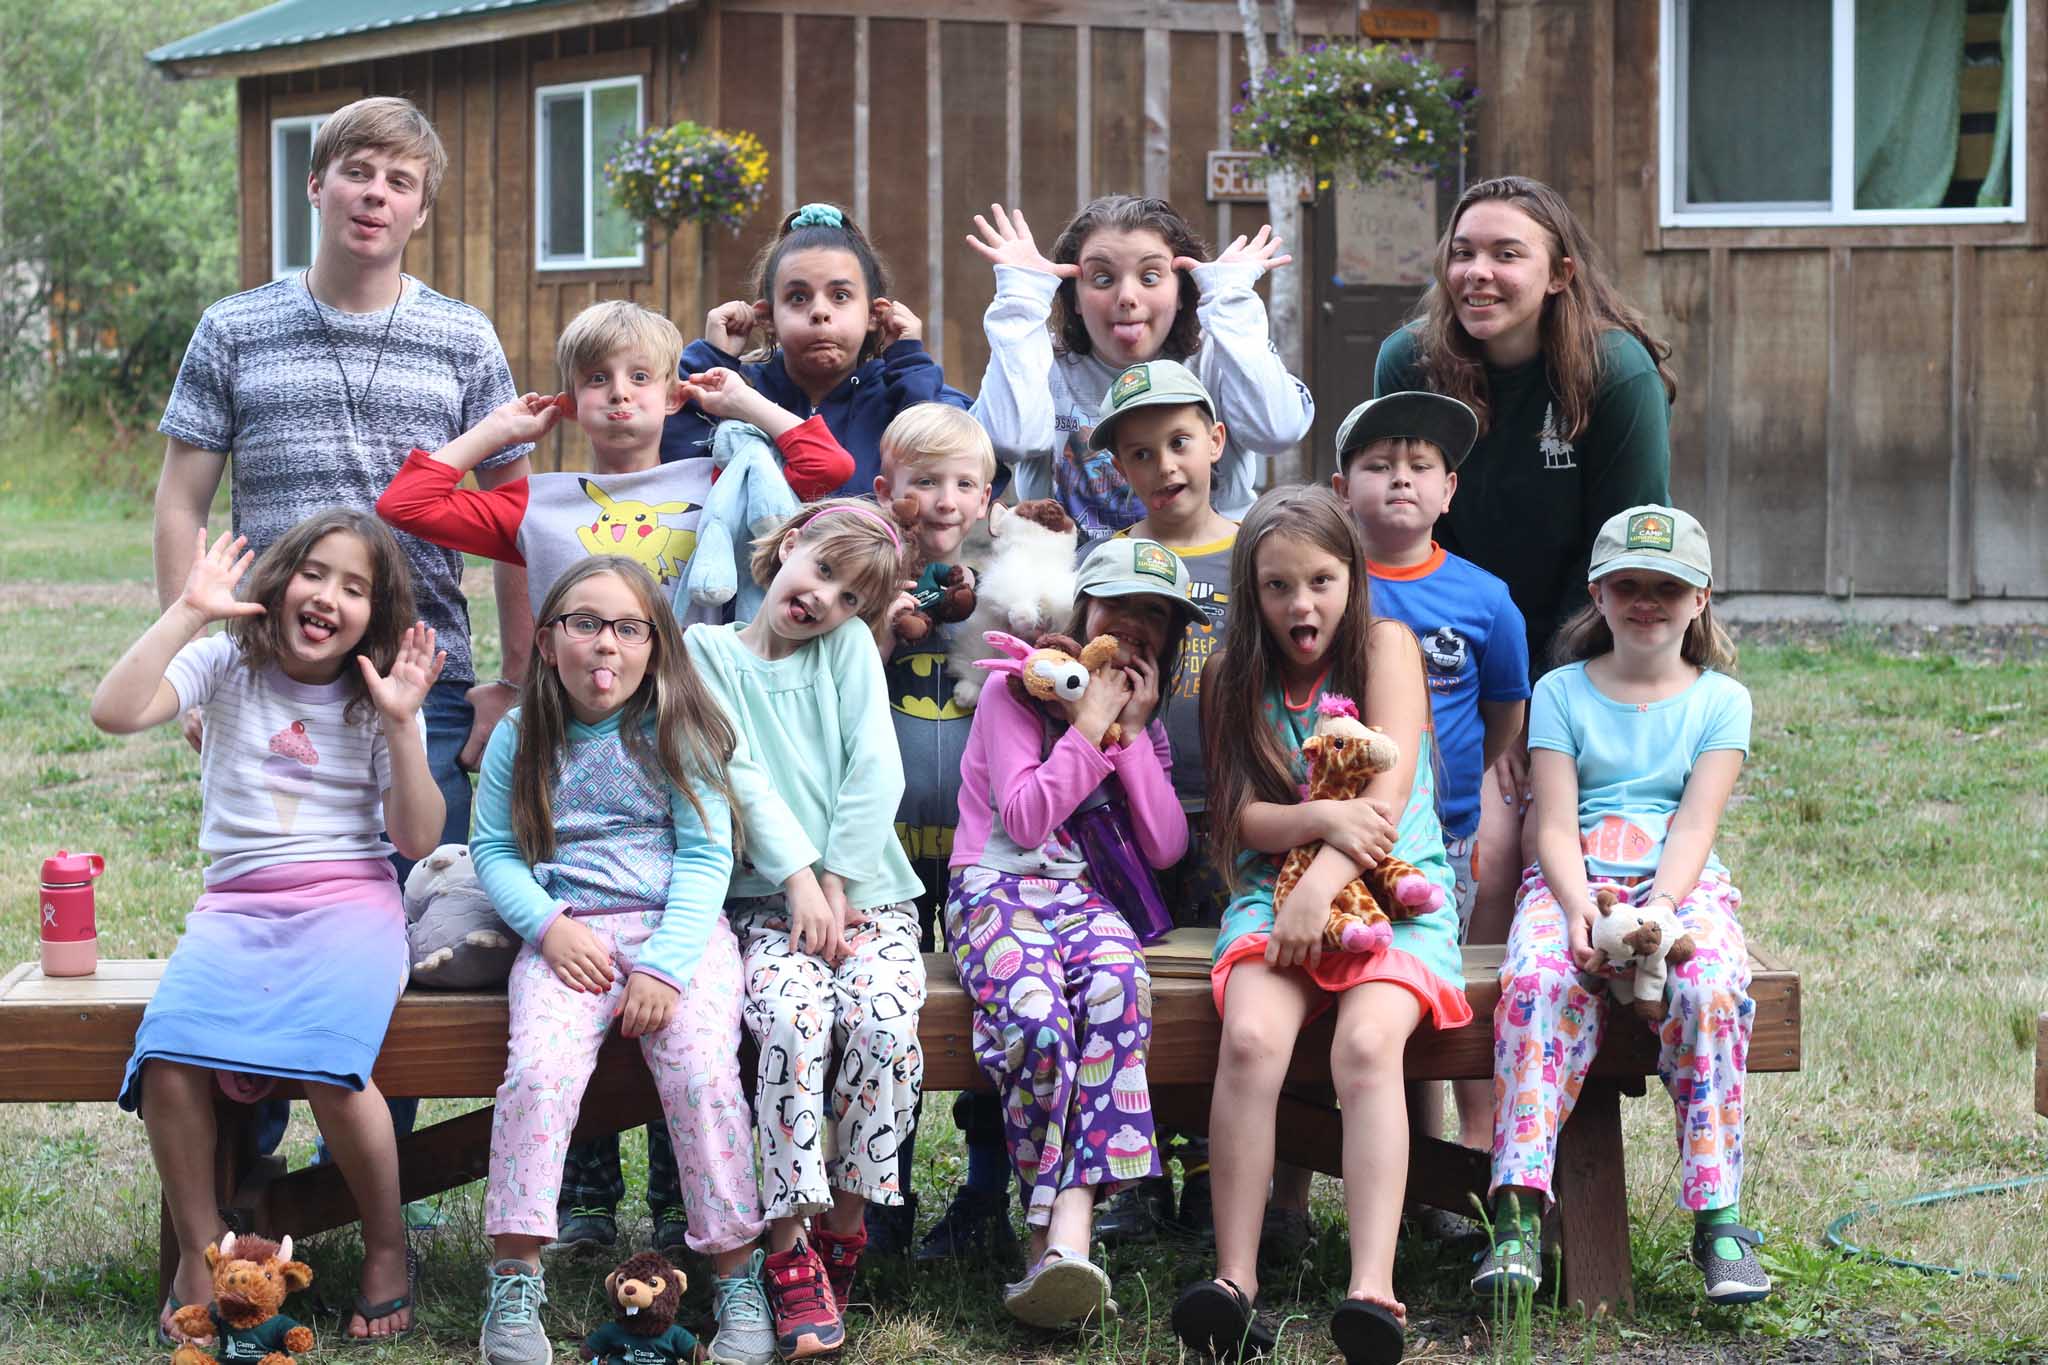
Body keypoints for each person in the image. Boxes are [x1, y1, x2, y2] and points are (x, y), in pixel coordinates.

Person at [92, 512, 445, 1347]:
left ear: (377, 612)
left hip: (350, 904)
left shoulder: (380, 694)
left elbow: (418, 841)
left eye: (355, 588)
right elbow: (115, 710)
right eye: (315, 574)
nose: (328, 596)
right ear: (280, 582)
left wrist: (401, 725)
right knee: (170, 1057)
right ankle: (196, 1248)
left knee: (330, 1063)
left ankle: (387, 1248)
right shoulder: (224, 662)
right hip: (238, 906)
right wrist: (189, 610)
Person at [1372, 173, 1675, 1115]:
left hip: (1569, 665)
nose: (1480, 273)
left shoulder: (1611, 375)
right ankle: (1423, 1130)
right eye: (1465, 252)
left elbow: (1630, 561)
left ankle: (1495, 1132)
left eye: (1509, 254)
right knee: (1403, 852)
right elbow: (1408, 543)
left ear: (1560, 274)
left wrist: (1544, 727)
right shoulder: (1409, 361)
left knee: (1498, 860)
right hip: (1439, 658)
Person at [155, 94, 533, 846]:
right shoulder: (232, 329)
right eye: (356, 172)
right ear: (315, 184)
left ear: (421, 210)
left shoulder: (465, 337)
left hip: (424, 674)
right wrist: (189, 662)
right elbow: (179, 504)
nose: (375, 193)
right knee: (280, 897)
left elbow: (515, 521)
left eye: (400, 181)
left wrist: (515, 687)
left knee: (428, 919)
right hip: (268, 671)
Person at [1171, 486, 1470, 1365]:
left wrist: (1325, 877)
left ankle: (1373, 1287)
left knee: (1368, 1048)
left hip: (1392, 892)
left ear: (1353, 576)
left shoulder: (1386, 647)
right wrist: (1313, 831)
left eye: (1321, 581)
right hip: (1274, 891)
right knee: (1254, 1040)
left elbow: (1383, 800)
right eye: (1277, 587)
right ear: (1250, 591)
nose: (1302, 605)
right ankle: (1236, 1278)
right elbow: (1237, 821)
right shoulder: (1233, 673)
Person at [469, 557, 774, 1365]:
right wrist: (548, 926)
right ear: (546, 641)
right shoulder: (521, 733)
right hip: (570, 936)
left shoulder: (676, 726)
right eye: (585, 623)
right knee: (536, 1075)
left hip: (680, 937)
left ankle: (736, 1271)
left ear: (654, 645)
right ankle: (515, 1275)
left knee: (704, 1073)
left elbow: (708, 856)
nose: (606, 642)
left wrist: (664, 967)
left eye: (628, 627)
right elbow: (494, 849)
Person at [1472, 505, 1768, 1308]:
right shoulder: (1560, 691)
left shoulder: (1721, 702)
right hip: (1575, 882)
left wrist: (1664, 913)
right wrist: (1576, 910)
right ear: (1598, 593)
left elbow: (1696, 823)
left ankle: (1720, 1216)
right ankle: (1519, 1211)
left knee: (1708, 986)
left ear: (1700, 597)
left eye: (1667, 586)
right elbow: (1555, 823)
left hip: (1679, 887)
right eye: (1629, 585)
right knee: (1537, 983)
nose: (1647, 601)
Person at [684, 500, 929, 1359]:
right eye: (821, 570)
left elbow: (875, 760)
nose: (825, 599)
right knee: (790, 1018)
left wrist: (836, 878)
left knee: (883, 1018)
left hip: (870, 893)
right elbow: (736, 770)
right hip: (765, 900)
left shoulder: (846, 650)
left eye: (852, 596)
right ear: (789, 545)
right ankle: (786, 1247)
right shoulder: (704, 653)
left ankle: (844, 1236)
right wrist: (796, 880)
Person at [945, 536, 1200, 1328]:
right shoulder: (1011, 696)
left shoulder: (1134, 722)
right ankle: (1042, 1238)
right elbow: (1023, 820)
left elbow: (1164, 845)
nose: (1136, 627)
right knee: (1037, 1017)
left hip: (1084, 901)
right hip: (993, 888)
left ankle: (1070, 1232)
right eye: (1119, 607)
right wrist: (1088, 727)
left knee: (1121, 986)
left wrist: (1131, 734)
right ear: (1079, 612)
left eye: (1155, 615)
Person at [1332, 393, 1529, 1159]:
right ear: (1343, 488)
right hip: (1341, 832)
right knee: (1364, 986)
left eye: (1421, 467)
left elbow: (1503, 712)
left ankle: (1461, 1152)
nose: (1401, 480)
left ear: (1450, 490)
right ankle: (1386, 1163)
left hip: (1444, 835)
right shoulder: (1330, 587)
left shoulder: (1485, 599)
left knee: (1436, 987)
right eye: (1378, 466)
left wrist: (1464, 790)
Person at [1077, 359, 1239, 1247]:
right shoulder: (1109, 563)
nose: (1165, 464)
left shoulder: (1254, 549)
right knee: (1134, 981)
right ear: (1121, 471)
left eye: (1180, 442)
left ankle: (1217, 1159)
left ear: (1215, 440)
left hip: (1225, 811)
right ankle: (1133, 1167)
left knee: (1213, 986)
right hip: (1121, 816)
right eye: (1140, 453)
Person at [968, 195, 1312, 536]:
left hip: (1213, 577)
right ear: (1074, 296)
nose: (1127, 297)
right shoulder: (1039, 358)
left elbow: (1277, 430)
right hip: (1073, 580)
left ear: (1181, 293)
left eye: (1149, 277)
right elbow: (1008, 441)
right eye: (1103, 279)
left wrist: (1231, 303)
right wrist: (1022, 302)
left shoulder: (1220, 351)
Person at [863, 403, 997, 1254]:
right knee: (892, 1017)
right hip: (888, 851)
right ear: (888, 491)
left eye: (962, 484)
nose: (943, 500)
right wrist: (886, 608)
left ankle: (988, 1198)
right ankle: (888, 1193)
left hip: (986, 851)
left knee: (991, 1013)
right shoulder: (866, 576)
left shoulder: (1006, 586)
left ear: (985, 497)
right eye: (923, 482)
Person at [661, 202, 972, 493]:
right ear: (767, 317)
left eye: (840, 296)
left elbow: (954, 462)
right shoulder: (737, 390)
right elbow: (665, 448)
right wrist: (712, 359)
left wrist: (909, 362)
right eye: (798, 297)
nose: (819, 312)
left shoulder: (903, 388)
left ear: (875, 315)